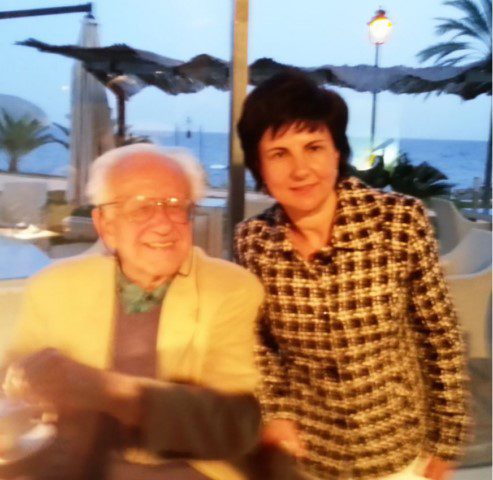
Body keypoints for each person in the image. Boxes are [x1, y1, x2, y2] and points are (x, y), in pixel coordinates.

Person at [234, 70, 470, 480]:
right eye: (279, 154)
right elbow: (259, 343)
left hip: (398, 451)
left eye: (313, 147)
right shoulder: (253, 241)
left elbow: (439, 337)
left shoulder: (399, 221)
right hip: (309, 455)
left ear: (337, 152)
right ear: (259, 166)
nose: (300, 170)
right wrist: (276, 411)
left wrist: (446, 442)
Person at [2, 144, 265, 480]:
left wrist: (107, 389)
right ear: (105, 225)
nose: (164, 225)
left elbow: (234, 424)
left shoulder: (231, 288)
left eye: (175, 205)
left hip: (189, 470)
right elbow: (15, 387)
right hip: (74, 466)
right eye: (141, 208)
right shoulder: (54, 287)